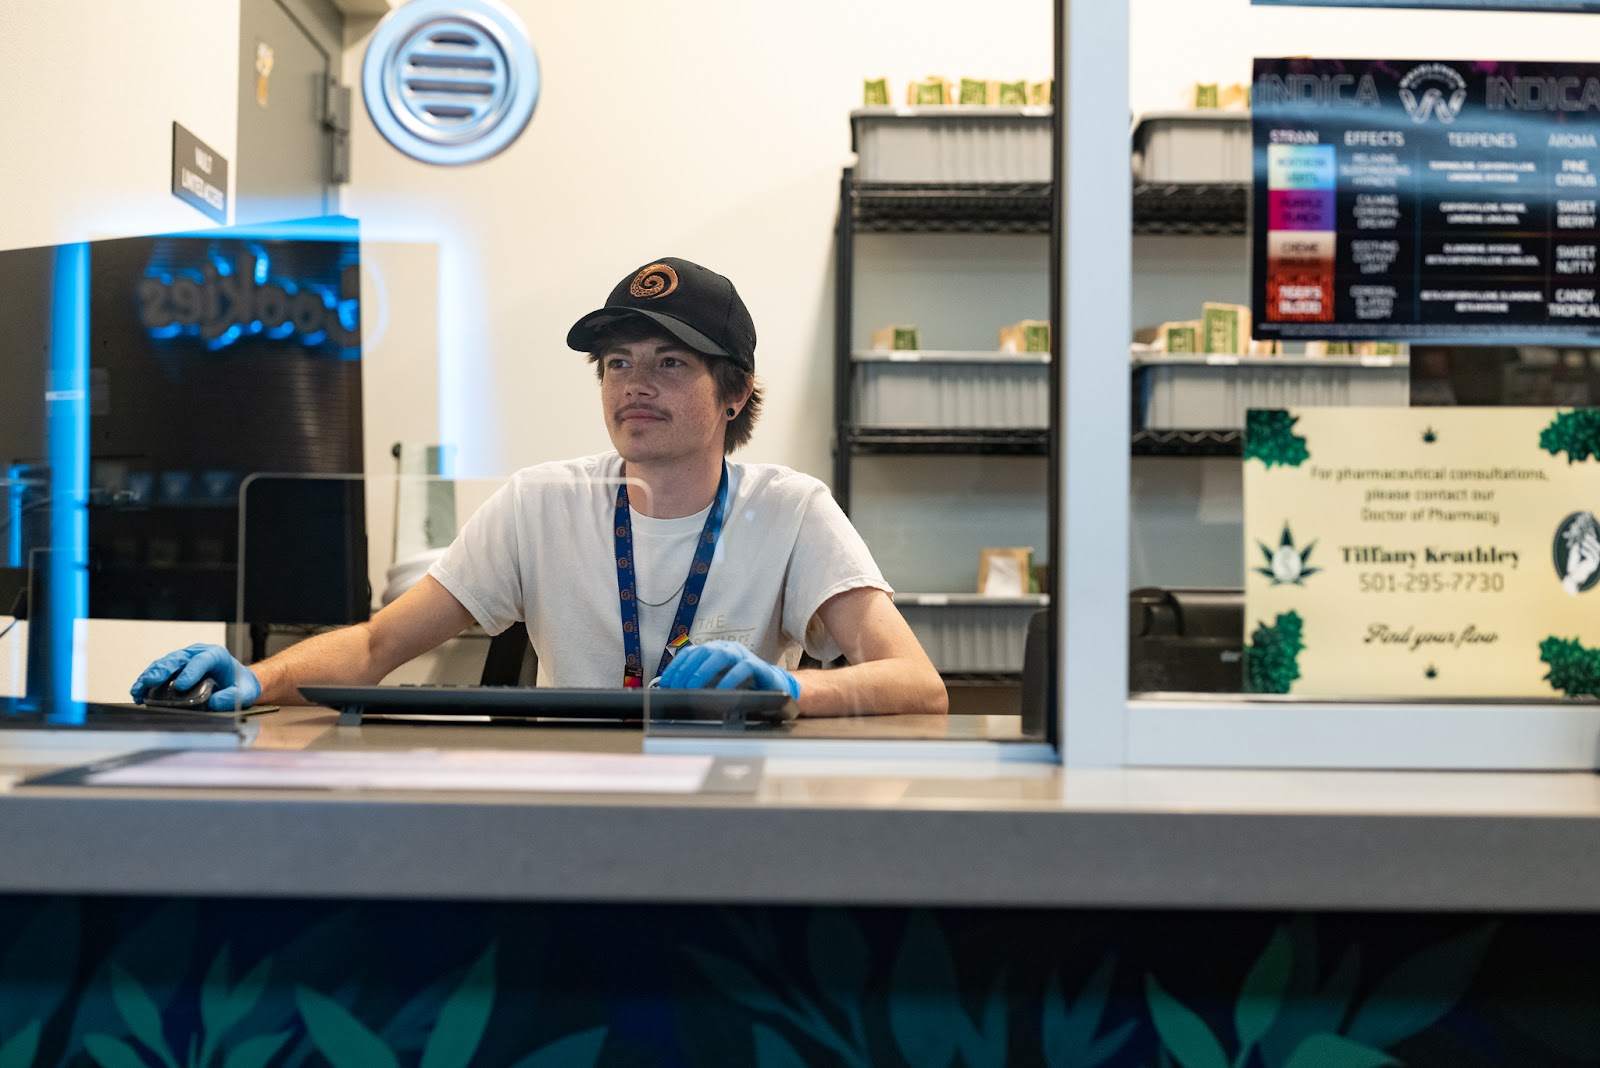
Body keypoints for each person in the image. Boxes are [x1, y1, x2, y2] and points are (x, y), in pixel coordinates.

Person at [131, 257, 947, 717]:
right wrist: (250, 679)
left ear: (733, 393)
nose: (635, 384)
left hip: (729, 794)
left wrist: (791, 686)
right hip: (568, 791)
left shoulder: (792, 509)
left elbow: (919, 685)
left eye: (670, 363)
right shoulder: (539, 502)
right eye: (617, 363)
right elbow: (378, 646)